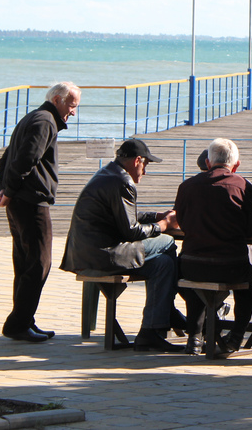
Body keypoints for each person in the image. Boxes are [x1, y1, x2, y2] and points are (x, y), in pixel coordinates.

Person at [60, 139, 184, 353]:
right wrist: (163, 225)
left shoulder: (107, 173)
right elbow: (131, 230)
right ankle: (167, 312)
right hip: (105, 254)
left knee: (164, 264)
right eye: (145, 165)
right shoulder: (123, 181)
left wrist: (156, 216)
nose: (144, 171)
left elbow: (126, 217)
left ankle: (151, 331)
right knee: (168, 242)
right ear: (137, 161)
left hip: (86, 253)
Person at [0, 81, 81, 343]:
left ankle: (23, 320)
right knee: (40, 263)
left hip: (19, 200)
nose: (73, 112)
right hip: (30, 202)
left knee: (25, 263)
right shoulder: (45, 121)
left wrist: (4, 189)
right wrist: (7, 191)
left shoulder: (34, 117)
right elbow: (25, 158)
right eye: (72, 105)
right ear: (57, 100)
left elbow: (6, 156)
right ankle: (18, 323)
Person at [173, 138, 252, 356]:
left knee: (195, 284)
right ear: (236, 165)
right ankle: (236, 337)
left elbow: (182, 223)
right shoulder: (242, 185)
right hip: (230, 266)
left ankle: (194, 338)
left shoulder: (186, 186)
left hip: (191, 264)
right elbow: (250, 229)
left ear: (208, 163)